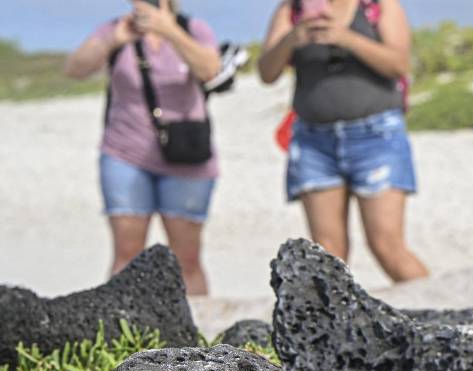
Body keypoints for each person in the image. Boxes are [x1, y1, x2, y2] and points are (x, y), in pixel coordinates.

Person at [258, 0, 428, 281]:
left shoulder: (377, 5)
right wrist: (292, 38)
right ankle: (337, 325)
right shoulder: (291, 9)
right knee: (327, 255)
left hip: (376, 136)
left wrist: (345, 38)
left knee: (387, 246)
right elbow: (267, 73)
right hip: (314, 141)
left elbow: (399, 64)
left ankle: (446, 317)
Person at [65, 0, 221, 295]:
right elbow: (74, 69)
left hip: (187, 155)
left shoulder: (194, 29)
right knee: (127, 253)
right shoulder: (117, 28)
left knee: (187, 258)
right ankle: (120, 332)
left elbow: (209, 69)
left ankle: (200, 335)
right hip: (125, 152)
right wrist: (114, 41)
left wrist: (170, 31)